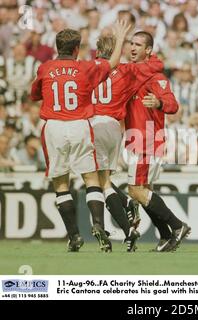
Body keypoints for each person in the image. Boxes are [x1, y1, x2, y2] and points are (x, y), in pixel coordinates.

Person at [30, 20, 131, 252]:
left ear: (57, 47)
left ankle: (74, 236)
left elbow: (34, 94)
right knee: (91, 180)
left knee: (61, 183)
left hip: (54, 127)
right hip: (80, 126)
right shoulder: (86, 67)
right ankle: (98, 225)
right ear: (77, 49)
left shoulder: (44, 68)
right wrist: (119, 38)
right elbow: (112, 63)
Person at [90, 34, 165, 252]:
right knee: (104, 180)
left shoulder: (88, 69)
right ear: (117, 52)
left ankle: (122, 230)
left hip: (94, 125)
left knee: (98, 182)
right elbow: (157, 65)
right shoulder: (125, 70)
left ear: (97, 52)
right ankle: (126, 208)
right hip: (115, 127)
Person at [125, 31, 191, 252]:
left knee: (135, 190)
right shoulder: (133, 73)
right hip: (138, 138)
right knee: (145, 191)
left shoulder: (157, 78)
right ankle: (164, 236)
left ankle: (177, 225)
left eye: (138, 45)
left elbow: (173, 105)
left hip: (146, 139)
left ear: (148, 50)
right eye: (131, 43)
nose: (133, 48)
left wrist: (159, 102)